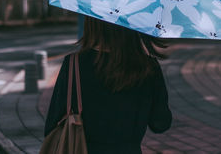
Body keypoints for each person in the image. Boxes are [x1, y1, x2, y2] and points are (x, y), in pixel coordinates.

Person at [44, 16, 172, 154]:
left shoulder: (74, 64)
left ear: (92, 22)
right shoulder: (148, 67)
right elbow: (160, 123)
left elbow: (52, 125)